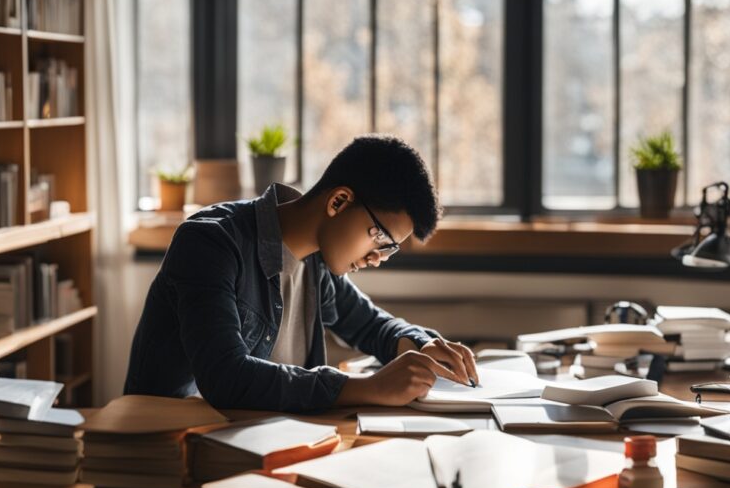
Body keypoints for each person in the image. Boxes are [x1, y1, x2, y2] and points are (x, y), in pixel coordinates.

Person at [124, 135, 479, 412]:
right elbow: (225, 378)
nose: (378, 258)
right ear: (338, 202)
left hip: (263, 444)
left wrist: (420, 346)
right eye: (380, 239)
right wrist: (367, 388)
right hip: (174, 448)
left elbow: (371, 325)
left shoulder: (315, 263)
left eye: (390, 249)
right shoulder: (210, 243)